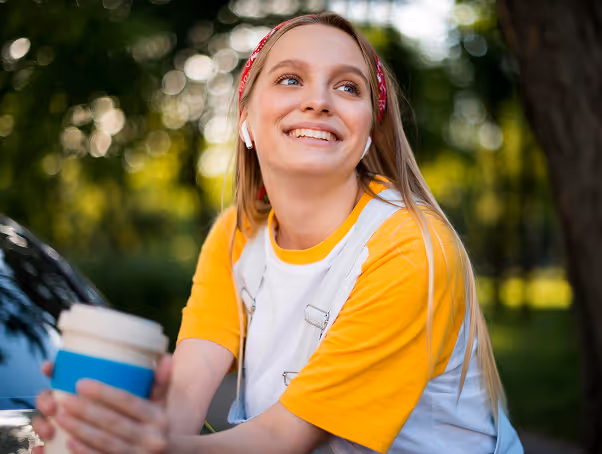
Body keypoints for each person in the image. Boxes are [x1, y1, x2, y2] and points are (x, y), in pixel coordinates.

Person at [33, 12, 524, 454]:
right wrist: (100, 431)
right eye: (291, 79)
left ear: (369, 132)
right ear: (245, 119)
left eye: (348, 87)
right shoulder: (235, 236)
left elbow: (284, 438)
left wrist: (152, 447)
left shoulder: (412, 248)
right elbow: (183, 393)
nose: (318, 101)